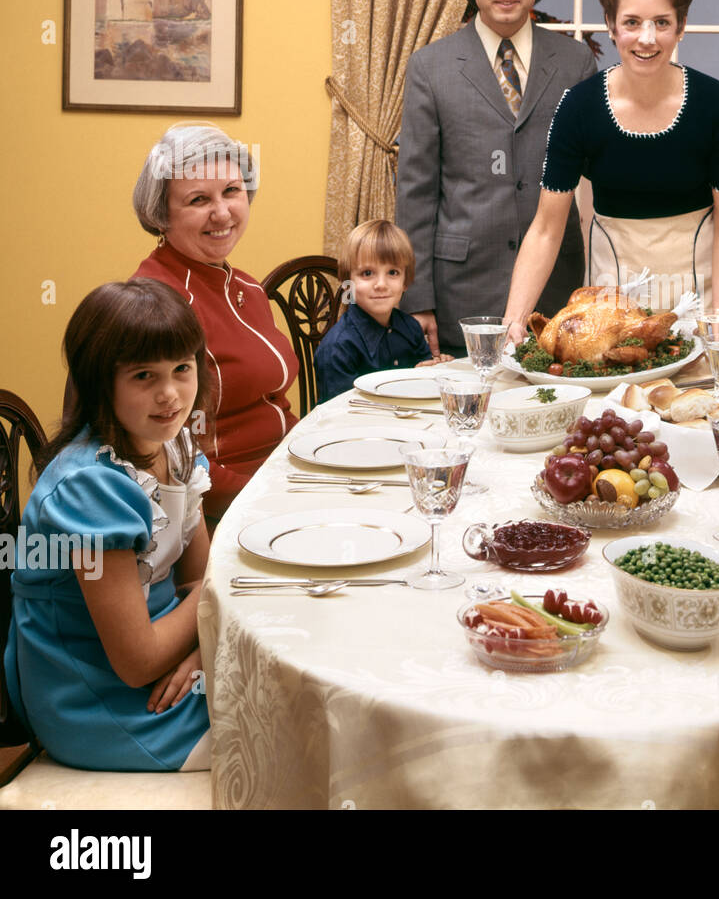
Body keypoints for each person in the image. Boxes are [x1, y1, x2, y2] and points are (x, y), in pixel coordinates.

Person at [4, 280, 213, 771]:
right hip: (98, 701)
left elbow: (194, 579)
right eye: (144, 375)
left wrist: (203, 650)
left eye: (182, 368)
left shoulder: (174, 446)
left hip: (168, 662)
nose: (170, 394)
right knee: (285, 727)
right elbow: (137, 658)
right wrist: (215, 596)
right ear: (101, 382)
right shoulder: (89, 490)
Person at [503, 0, 719, 342]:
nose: (646, 39)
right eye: (632, 22)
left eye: (662, 23)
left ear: (681, 25)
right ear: (611, 24)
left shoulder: (717, 105)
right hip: (609, 314)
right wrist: (512, 321)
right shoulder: (578, 108)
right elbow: (546, 229)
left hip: (706, 305)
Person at [396, 0, 596, 359]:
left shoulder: (574, 64)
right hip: (461, 297)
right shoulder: (430, 67)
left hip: (557, 294)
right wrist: (417, 300)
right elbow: (415, 192)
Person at [132, 122, 298, 522]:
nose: (222, 212)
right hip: (218, 510)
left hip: (281, 477)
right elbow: (173, 458)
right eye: (197, 199)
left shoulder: (246, 286)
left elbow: (274, 403)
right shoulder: (158, 303)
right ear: (161, 215)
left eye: (231, 191)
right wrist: (275, 496)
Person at [314, 219, 450, 400]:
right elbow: (341, 414)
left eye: (392, 273)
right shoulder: (338, 348)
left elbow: (422, 380)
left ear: (406, 281)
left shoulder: (411, 327)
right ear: (348, 282)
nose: (381, 285)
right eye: (367, 273)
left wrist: (437, 371)